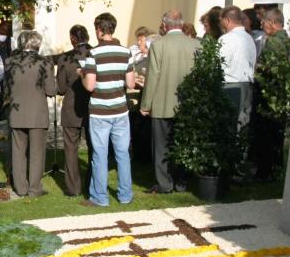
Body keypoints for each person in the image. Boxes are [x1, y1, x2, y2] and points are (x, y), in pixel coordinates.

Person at [140, 10, 201, 194]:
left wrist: (145, 104)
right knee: (183, 144)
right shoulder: (196, 45)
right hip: (188, 104)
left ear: (165, 25)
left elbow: (152, 77)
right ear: (181, 24)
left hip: (162, 103)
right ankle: (181, 182)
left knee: (161, 147)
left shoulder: (159, 46)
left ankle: (164, 183)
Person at [79, 12, 135, 207]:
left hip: (100, 112)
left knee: (99, 155)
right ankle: (125, 195)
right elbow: (130, 82)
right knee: (122, 154)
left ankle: (100, 197)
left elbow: (89, 86)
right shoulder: (126, 52)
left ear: (99, 29)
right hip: (120, 110)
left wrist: (81, 74)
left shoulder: (93, 54)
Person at [3, 30, 57, 197]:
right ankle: (34, 188)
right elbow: (51, 90)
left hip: (17, 112)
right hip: (37, 113)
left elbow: (6, 89)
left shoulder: (10, 61)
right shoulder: (44, 62)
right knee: (37, 152)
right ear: (37, 44)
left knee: (18, 152)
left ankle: (20, 188)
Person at [253, 8, 290, 180]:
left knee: (267, 135)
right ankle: (275, 169)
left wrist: (257, 69)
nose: (262, 25)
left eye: (263, 22)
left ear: (272, 23)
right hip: (280, 94)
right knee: (276, 134)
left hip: (269, 93)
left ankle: (266, 171)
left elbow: (269, 68)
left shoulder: (274, 43)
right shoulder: (286, 40)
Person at [56, 25, 92, 197]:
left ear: (73, 38)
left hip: (72, 107)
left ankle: (73, 188)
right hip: (94, 106)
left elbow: (61, 88)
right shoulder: (96, 53)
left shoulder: (65, 58)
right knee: (96, 148)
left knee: (71, 148)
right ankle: (93, 184)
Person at [218, 5, 257, 130]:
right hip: (248, 86)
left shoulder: (226, 39)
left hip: (231, 87)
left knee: (228, 128)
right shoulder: (249, 38)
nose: (221, 25)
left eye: (221, 21)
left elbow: (218, 64)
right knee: (243, 125)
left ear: (227, 20)